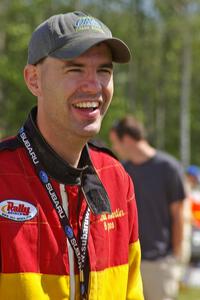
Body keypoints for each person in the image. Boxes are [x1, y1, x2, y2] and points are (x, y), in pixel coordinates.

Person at [0, 11, 144, 300]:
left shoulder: (117, 178)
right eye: (75, 69)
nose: (94, 86)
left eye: (104, 70)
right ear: (34, 80)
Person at [109, 116, 186, 300]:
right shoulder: (122, 171)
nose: (114, 148)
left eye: (115, 142)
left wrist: (174, 258)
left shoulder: (169, 168)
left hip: (159, 264)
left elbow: (179, 217)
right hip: (128, 263)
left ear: (126, 139)